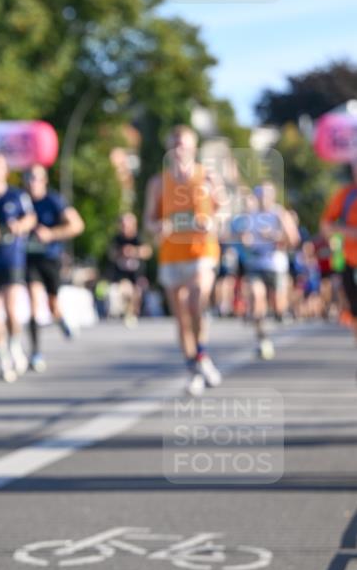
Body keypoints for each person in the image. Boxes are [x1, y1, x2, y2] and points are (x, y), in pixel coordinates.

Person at [144, 125, 223, 396]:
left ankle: (201, 355)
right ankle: (194, 366)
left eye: (184, 144)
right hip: (171, 255)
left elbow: (225, 212)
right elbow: (149, 220)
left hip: (202, 251)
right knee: (181, 316)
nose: (180, 149)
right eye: (175, 144)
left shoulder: (207, 177)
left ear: (194, 149)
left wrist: (210, 220)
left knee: (196, 298)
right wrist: (158, 228)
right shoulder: (158, 182)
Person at [0, 151, 37, 381]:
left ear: (6, 170)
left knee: (12, 309)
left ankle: (15, 346)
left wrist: (20, 226)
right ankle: (2, 356)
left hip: (11, 258)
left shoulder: (16, 196)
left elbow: (31, 218)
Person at [23, 164, 85, 372]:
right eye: (29, 177)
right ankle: (35, 352)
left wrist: (51, 234)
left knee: (52, 306)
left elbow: (77, 225)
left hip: (50, 258)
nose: (32, 182)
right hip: (28, 259)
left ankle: (60, 319)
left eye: (36, 178)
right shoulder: (22, 202)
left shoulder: (54, 201)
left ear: (44, 180)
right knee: (32, 302)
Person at [231, 183, 300, 359]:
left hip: (275, 264)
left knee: (278, 305)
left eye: (266, 194)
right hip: (255, 262)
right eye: (260, 194)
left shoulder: (279, 213)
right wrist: (243, 240)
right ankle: (263, 339)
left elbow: (293, 239)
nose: (263, 198)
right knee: (256, 296)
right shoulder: (250, 215)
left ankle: (280, 314)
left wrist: (274, 235)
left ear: (273, 196)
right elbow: (239, 236)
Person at [321, 158, 357, 344]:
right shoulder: (345, 196)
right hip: (350, 262)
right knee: (354, 311)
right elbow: (326, 226)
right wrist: (347, 232)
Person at [107, 212, 152, 325]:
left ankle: (133, 313)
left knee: (136, 292)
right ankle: (125, 312)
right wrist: (120, 252)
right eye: (122, 225)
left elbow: (148, 251)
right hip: (122, 274)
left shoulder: (139, 237)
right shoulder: (117, 238)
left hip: (137, 275)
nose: (124, 227)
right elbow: (111, 253)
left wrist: (134, 251)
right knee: (124, 290)